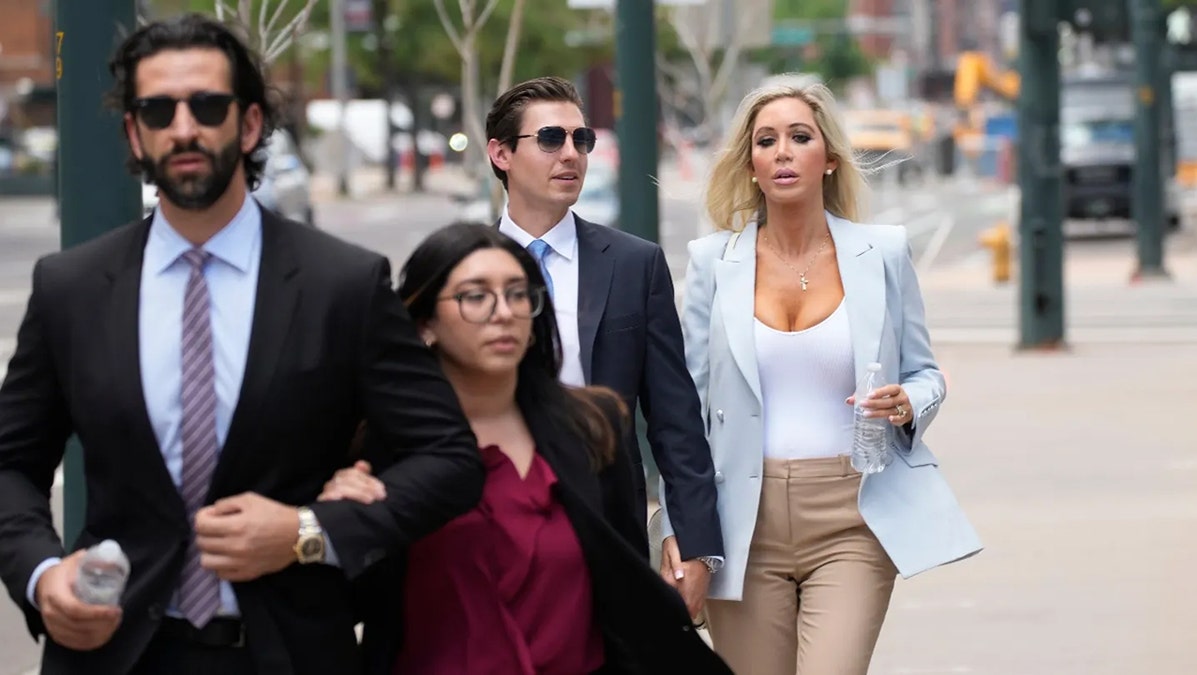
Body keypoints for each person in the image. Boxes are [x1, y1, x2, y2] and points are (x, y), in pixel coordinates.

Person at [0, 15, 484, 675]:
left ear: (249, 124)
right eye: (158, 110)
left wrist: (307, 533)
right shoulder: (71, 288)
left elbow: (450, 458)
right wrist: (41, 573)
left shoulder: (341, 282)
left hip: (289, 651)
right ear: (133, 135)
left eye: (206, 105)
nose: (184, 127)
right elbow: (11, 464)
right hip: (112, 652)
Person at [321, 223, 732, 674]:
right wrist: (341, 521)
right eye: (475, 297)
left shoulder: (591, 428)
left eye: (518, 294)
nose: (503, 312)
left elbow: (624, 587)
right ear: (424, 325)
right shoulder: (376, 442)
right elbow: (346, 602)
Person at [676, 80, 983, 674]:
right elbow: (682, 408)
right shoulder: (714, 262)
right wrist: (673, 525)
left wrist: (907, 402)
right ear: (752, 163)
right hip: (740, 517)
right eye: (766, 141)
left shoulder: (883, 253)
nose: (783, 151)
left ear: (829, 159)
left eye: (800, 136)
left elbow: (924, 371)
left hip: (853, 514)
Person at [484, 76, 722, 615]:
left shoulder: (634, 265)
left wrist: (695, 542)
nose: (570, 154)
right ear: (500, 153)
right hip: (487, 528)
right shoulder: (461, 267)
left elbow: (674, 419)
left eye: (580, 140)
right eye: (549, 139)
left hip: (606, 528)